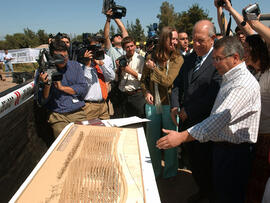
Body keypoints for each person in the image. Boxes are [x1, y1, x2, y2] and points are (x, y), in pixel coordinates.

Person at [158, 36, 261, 203]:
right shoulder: (230, 77)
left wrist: (181, 136)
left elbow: (218, 119)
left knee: (229, 195)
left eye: (218, 59)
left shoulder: (242, 84)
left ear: (235, 57)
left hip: (235, 153)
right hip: (223, 148)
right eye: (213, 59)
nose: (214, 64)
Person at [170, 20, 221, 202]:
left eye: (200, 40)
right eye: (193, 40)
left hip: (206, 124)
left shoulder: (218, 59)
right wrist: (175, 106)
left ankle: (209, 195)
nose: (195, 44)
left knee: (206, 164)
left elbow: (213, 93)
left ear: (212, 38)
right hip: (186, 122)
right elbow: (177, 85)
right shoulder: (190, 59)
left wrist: (188, 111)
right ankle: (203, 192)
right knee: (194, 163)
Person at [141, 26, 184, 179]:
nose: (175, 41)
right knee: (152, 140)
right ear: (164, 39)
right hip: (153, 105)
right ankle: (154, 172)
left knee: (170, 141)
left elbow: (168, 81)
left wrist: (154, 69)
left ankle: (170, 173)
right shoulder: (151, 57)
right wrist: (146, 92)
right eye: (172, 38)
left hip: (170, 106)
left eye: (176, 38)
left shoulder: (178, 59)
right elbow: (143, 80)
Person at [38, 40, 88, 138]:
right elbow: (43, 100)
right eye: (60, 57)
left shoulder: (75, 66)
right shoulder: (44, 70)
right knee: (64, 144)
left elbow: (82, 89)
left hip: (77, 112)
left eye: (66, 56)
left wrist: (62, 88)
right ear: (52, 57)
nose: (64, 59)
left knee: (83, 140)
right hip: (58, 115)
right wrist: (47, 84)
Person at [244, 34, 270, 203]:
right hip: (256, 134)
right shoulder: (255, 73)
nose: (243, 52)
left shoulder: (268, 75)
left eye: (246, 49)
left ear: (255, 51)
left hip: (267, 137)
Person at [82, 37, 115, 120]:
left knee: (107, 131)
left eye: (99, 47)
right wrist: (87, 64)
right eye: (93, 48)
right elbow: (85, 82)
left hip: (103, 104)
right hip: (89, 106)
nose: (96, 50)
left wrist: (101, 64)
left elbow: (111, 77)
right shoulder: (82, 60)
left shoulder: (106, 58)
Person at [116, 36, 146, 118]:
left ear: (135, 46)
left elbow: (144, 78)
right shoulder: (121, 59)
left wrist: (130, 71)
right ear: (124, 48)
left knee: (139, 122)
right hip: (123, 95)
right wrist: (118, 70)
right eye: (127, 47)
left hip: (137, 95)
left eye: (132, 46)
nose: (130, 49)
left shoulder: (141, 59)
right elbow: (116, 79)